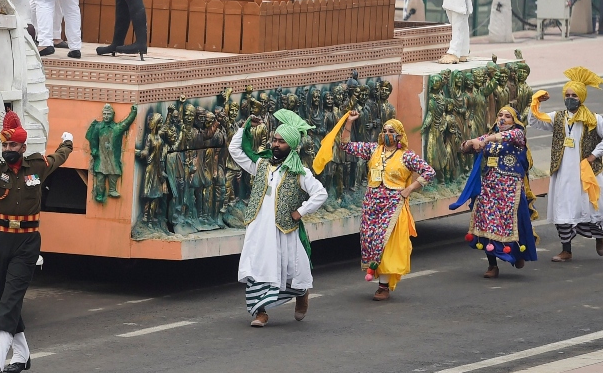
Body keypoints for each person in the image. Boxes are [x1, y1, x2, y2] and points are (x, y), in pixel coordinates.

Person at [0, 112, 73, 373]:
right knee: (4, 299)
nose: (7, 150)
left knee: (11, 298)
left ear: (23, 147)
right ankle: (21, 355)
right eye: (5, 146)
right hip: (1, 239)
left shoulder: (38, 166)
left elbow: (59, 157)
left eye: (12, 146)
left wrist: (68, 142)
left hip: (27, 241)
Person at [315, 112, 435, 301]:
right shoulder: (373, 150)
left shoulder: (407, 156)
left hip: (393, 205)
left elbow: (429, 172)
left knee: (385, 242)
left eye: (391, 131)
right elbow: (346, 145)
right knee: (370, 240)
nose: (387, 133)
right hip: (372, 204)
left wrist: (410, 188)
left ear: (399, 135)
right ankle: (378, 276)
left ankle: (383, 286)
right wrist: (349, 123)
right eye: (385, 130)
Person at [227, 110, 328, 326]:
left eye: (281, 142)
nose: (276, 144)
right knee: (257, 266)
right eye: (275, 139)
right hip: (259, 228)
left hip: (283, 230)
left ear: (291, 145)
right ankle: (260, 312)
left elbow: (320, 193)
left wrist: (301, 211)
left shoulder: (300, 171)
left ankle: (301, 294)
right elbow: (235, 150)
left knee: (290, 269)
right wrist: (246, 127)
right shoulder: (261, 164)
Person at [528, 66, 603, 262]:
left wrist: (593, 156)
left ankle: (600, 236)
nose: (570, 98)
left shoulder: (593, 119)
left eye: (574, 95)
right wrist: (535, 102)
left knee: (590, 207)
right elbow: (535, 122)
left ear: (581, 97)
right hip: (562, 172)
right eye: (567, 94)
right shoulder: (558, 118)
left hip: (585, 173)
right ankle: (566, 250)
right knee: (562, 208)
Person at [450, 106, 538, 278]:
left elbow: (504, 136)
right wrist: (470, 143)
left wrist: (485, 140)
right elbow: (466, 148)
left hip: (510, 188)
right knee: (487, 223)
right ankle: (492, 265)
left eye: (507, 116)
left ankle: (517, 254)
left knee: (513, 223)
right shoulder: (489, 136)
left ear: (514, 120)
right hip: (489, 187)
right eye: (500, 115)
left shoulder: (518, 134)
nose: (503, 119)